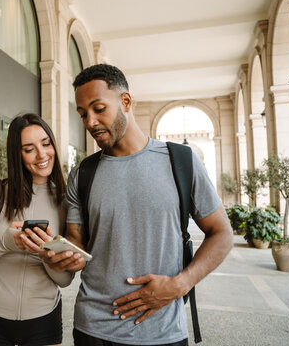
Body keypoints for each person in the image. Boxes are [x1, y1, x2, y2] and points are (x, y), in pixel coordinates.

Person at [43, 64, 233, 346]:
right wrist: (62, 255)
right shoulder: (83, 173)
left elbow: (222, 233)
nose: (90, 122)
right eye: (82, 113)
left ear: (126, 102)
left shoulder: (181, 161)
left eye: (98, 108)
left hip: (162, 331)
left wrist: (180, 284)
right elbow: (77, 243)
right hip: (92, 329)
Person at [0, 113, 74, 346]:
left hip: (44, 321)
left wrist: (44, 254)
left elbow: (64, 280)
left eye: (46, 144)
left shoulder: (66, 201)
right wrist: (5, 243)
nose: (42, 154)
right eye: (29, 149)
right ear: (17, 154)